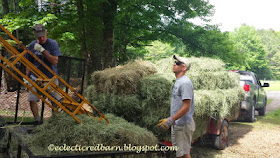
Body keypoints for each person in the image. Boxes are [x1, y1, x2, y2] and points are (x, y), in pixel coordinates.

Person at [157, 55, 195, 158]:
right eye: (175, 62)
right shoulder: (179, 81)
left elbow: (186, 107)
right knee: (181, 154)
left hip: (183, 125)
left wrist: (170, 120)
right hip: (178, 124)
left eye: (178, 63)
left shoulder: (185, 83)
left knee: (183, 155)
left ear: (184, 68)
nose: (174, 64)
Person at [25, 24, 62, 123]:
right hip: (35, 77)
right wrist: (26, 77)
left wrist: (43, 50)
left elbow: (54, 61)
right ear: (35, 36)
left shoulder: (52, 44)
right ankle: (37, 120)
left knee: (55, 100)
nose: (41, 38)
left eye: (43, 36)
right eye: (39, 37)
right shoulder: (32, 45)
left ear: (46, 33)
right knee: (32, 99)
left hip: (50, 77)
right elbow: (28, 62)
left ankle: (55, 121)